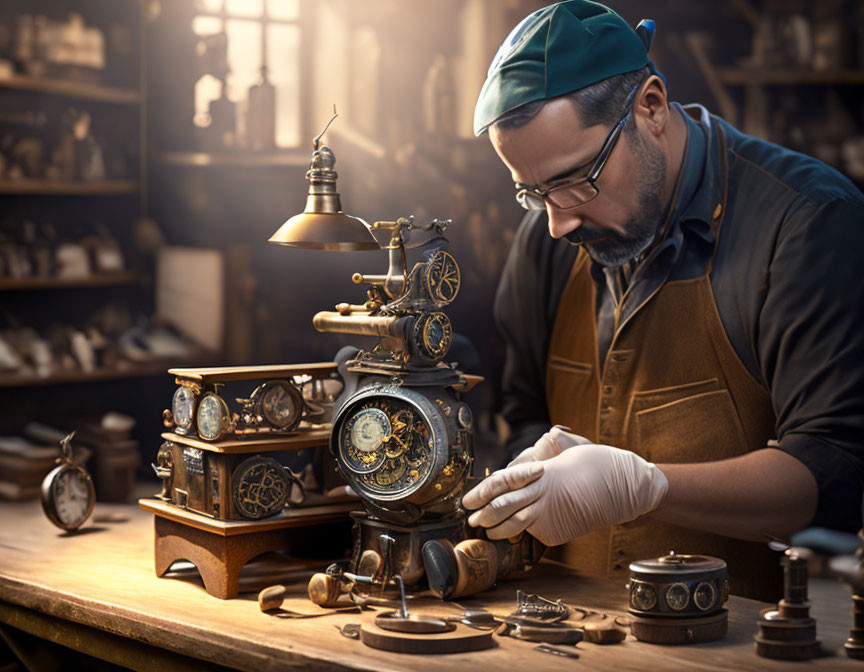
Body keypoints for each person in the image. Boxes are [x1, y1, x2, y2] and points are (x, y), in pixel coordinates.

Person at [462, 0, 864, 601]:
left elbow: (833, 476)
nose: (557, 223)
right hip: (569, 636)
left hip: (752, 646)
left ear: (650, 106)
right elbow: (522, 413)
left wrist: (645, 486)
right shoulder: (546, 242)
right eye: (532, 191)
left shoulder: (806, 223)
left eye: (576, 179)